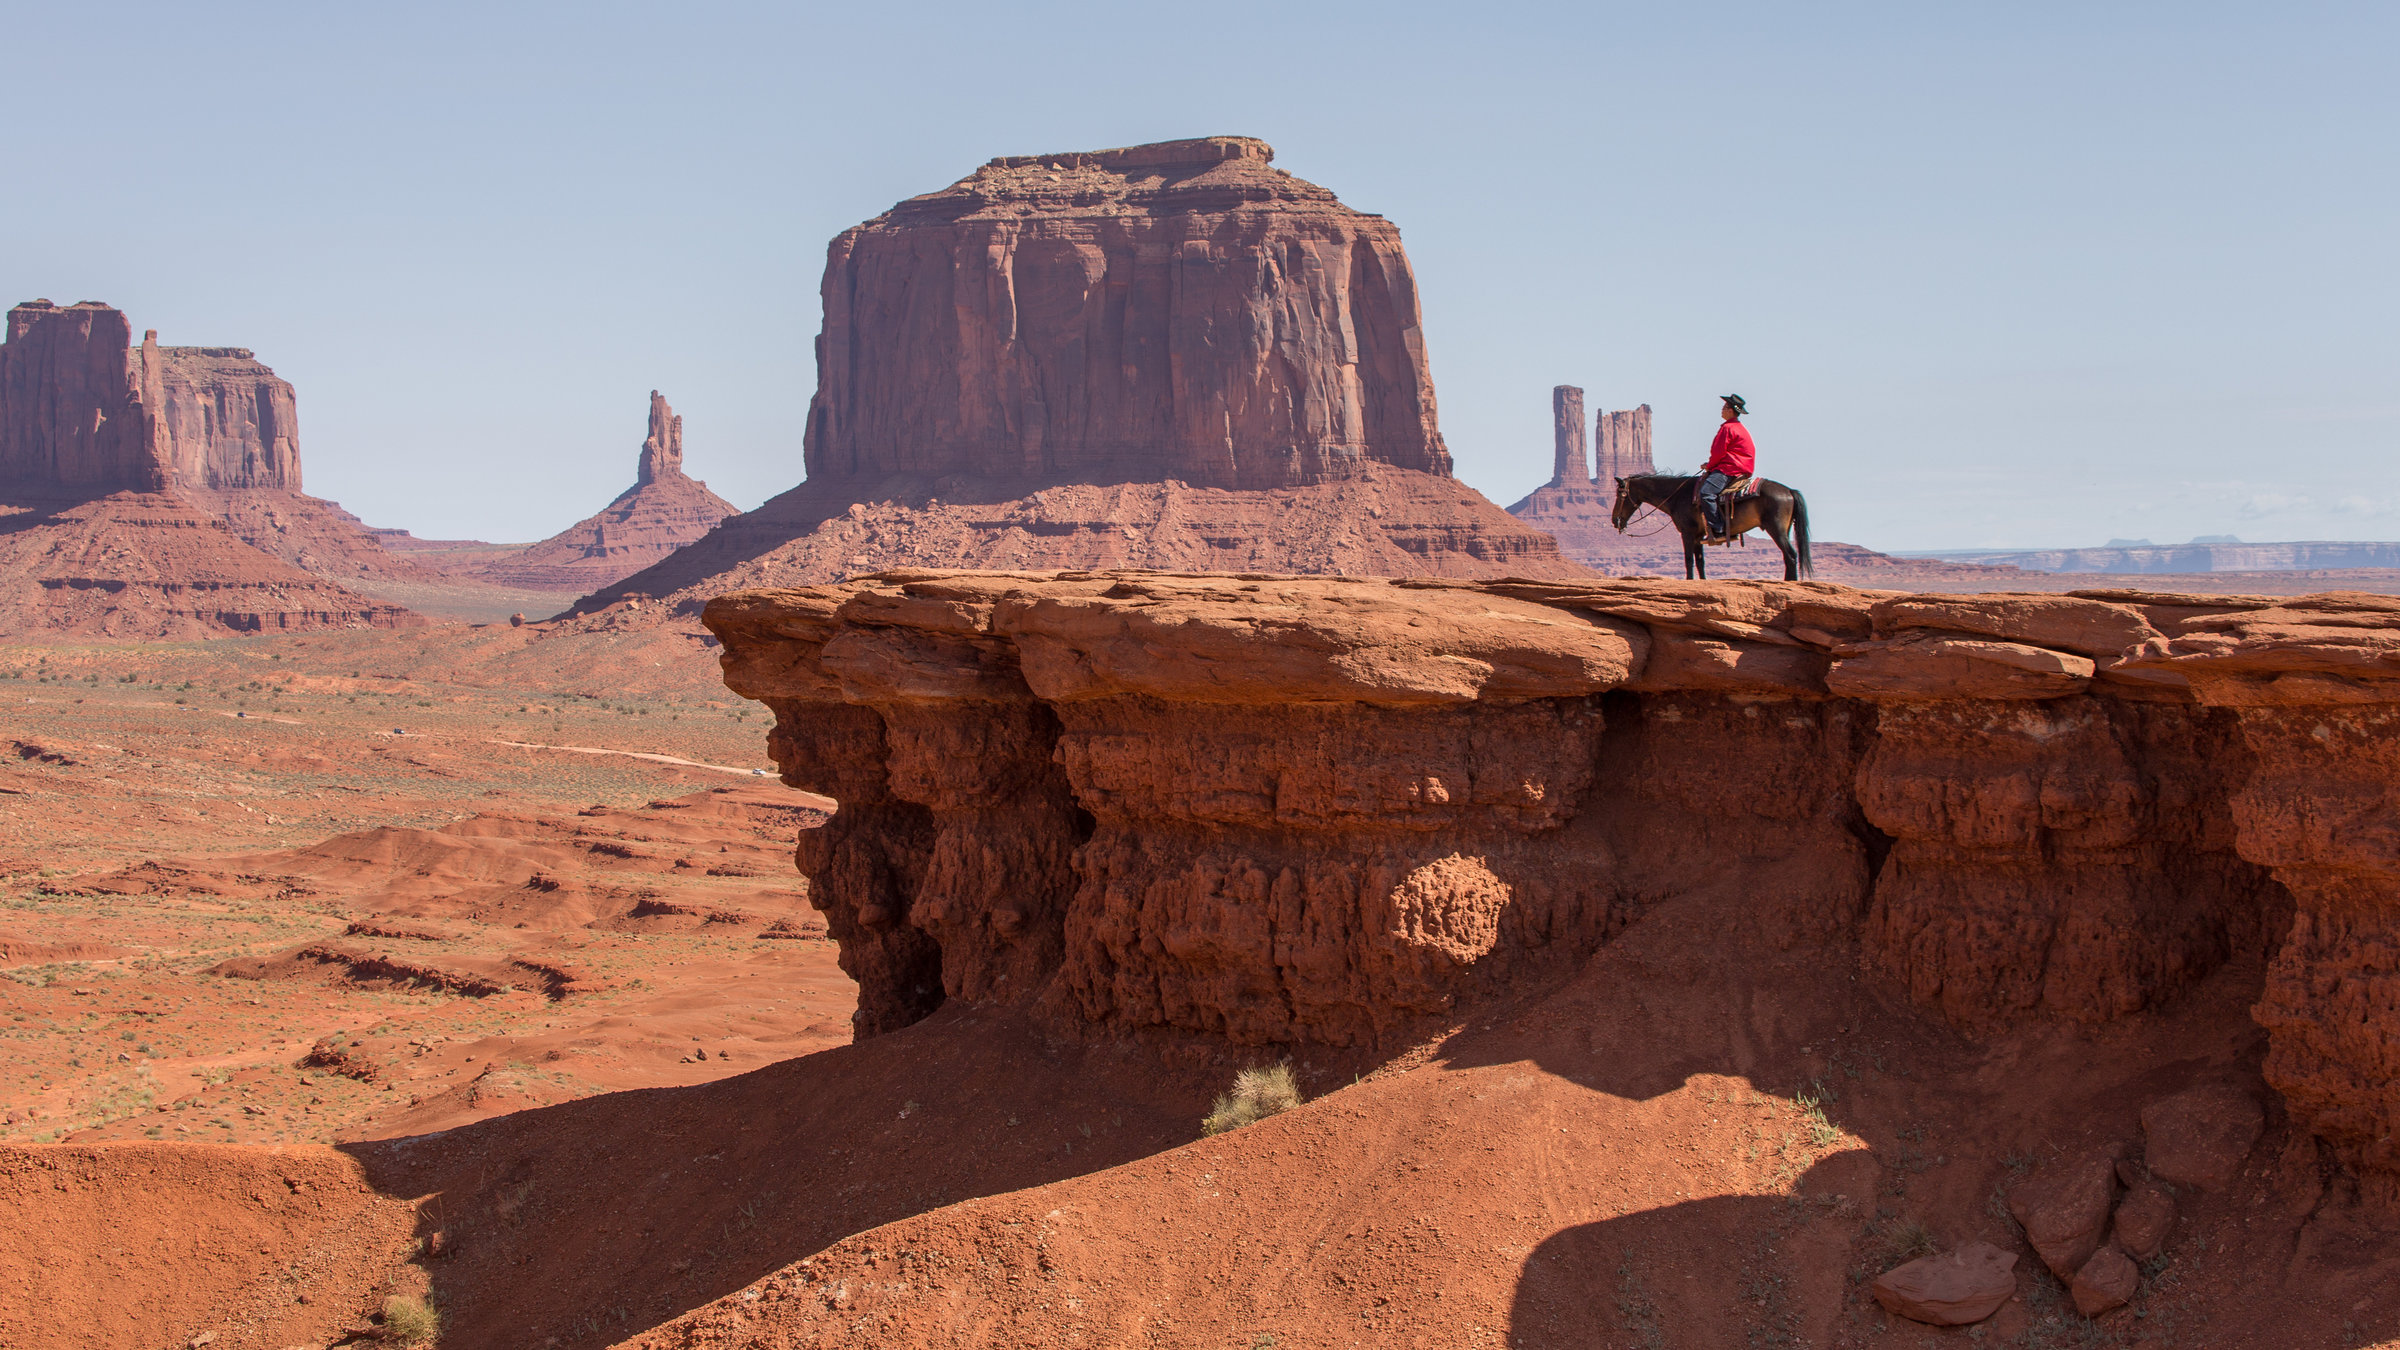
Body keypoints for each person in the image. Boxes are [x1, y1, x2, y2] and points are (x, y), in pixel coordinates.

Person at [1697, 394, 1755, 539]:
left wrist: (1709, 466)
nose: (1722, 410)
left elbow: (1718, 452)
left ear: (1730, 410)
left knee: (1706, 493)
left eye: (1724, 407)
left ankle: (1718, 529)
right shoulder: (1739, 428)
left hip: (1730, 469)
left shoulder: (1728, 428)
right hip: (1741, 467)